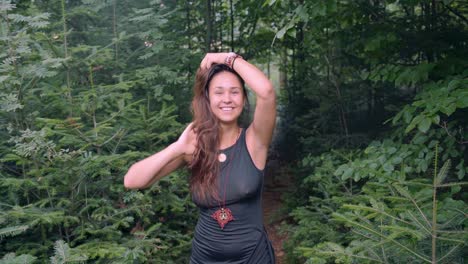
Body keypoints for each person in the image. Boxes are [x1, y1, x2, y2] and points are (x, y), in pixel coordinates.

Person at [124, 52, 276, 263]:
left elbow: (267, 92)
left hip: (253, 258)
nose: (227, 99)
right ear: (208, 98)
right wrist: (177, 148)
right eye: (218, 92)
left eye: (235, 92)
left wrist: (226, 57)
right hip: (204, 258)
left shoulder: (254, 141)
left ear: (243, 98)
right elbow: (132, 180)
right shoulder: (194, 147)